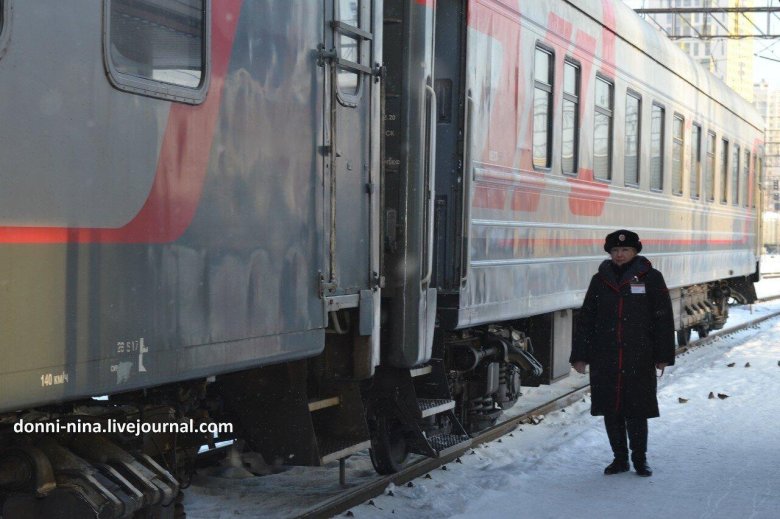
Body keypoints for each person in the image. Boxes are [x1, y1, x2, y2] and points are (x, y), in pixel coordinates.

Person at [569, 229, 675, 477]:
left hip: (639, 356)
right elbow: (586, 319)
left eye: (625, 250)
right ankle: (619, 459)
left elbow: (663, 318)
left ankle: (640, 459)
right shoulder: (599, 279)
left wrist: (662, 356)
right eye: (615, 250)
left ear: (635, 251)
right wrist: (580, 355)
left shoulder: (651, 278)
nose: (619, 254)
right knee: (611, 410)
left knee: (636, 410)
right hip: (605, 356)